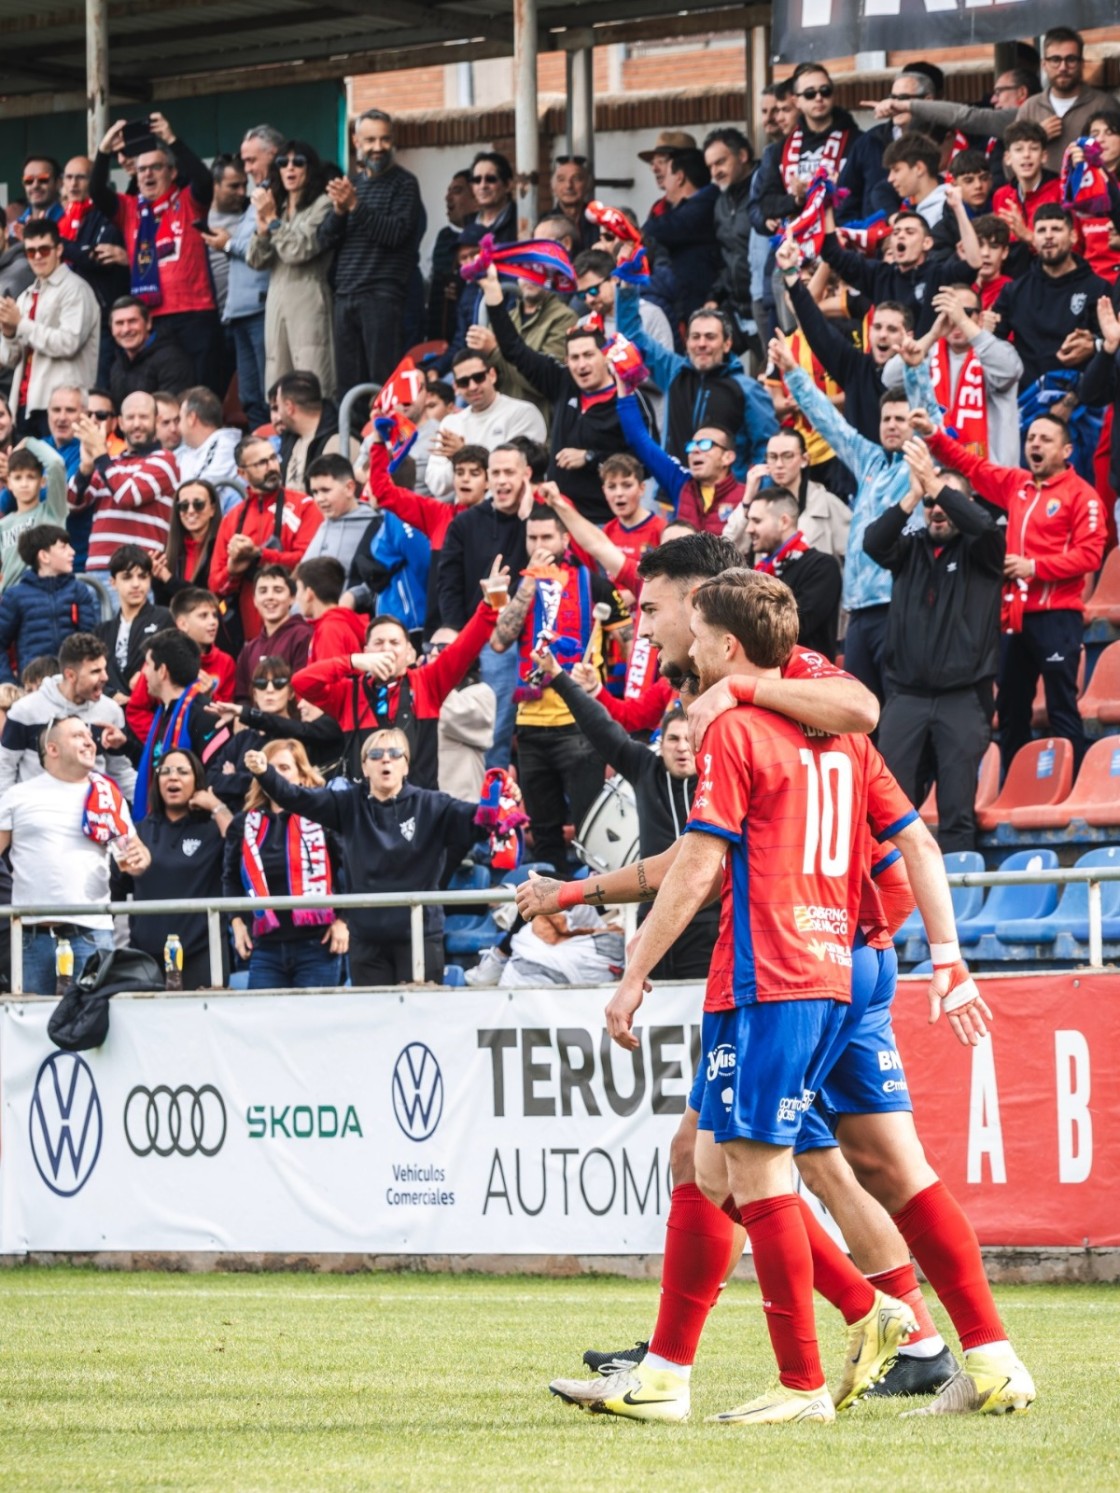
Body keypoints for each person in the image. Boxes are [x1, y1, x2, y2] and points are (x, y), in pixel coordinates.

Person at [545, 569, 1032, 1424]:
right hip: (851, 960)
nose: (660, 637)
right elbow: (907, 832)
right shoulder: (819, 718)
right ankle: (974, 1351)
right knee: (822, 1163)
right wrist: (946, 958)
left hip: (786, 962)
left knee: (747, 1160)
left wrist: (629, 971)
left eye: (664, 617)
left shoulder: (746, 716)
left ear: (717, 630)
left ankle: (824, 1359)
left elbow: (697, 862)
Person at [917, 408, 1105, 775]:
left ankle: (1073, 783)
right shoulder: (1016, 484)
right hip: (1014, 617)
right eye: (1031, 438)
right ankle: (1015, 783)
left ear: (1067, 451)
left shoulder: (1083, 496)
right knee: (1011, 709)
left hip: (1057, 616)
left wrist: (1034, 567)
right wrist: (933, 435)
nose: (1035, 444)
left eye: (1045, 439)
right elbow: (969, 466)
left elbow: (1090, 554)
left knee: (1061, 707)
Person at [245, 726, 479, 985]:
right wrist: (265, 773)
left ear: (406, 766)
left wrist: (501, 803)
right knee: (373, 1021)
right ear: (365, 768)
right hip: (367, 940)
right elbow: (297, 798)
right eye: (376, 754)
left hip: (418, 936)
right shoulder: (348, 804)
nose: (385, 759)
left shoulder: (432, 805)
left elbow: (479, 820)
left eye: (395, 753)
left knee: (419, 1021)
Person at [864, 438, 1003, 851]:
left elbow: (982, 524)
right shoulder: (910, 549)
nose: (936, 509)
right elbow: (873, 543)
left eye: (945, 502)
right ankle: (892, 900)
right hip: (905, 696)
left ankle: (957, 904)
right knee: (890, 809)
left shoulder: (985, 551)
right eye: (930, 504)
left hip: (963, 697)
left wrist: (936, 484)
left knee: (957, 808)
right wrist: (913, 491)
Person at [770, 331, 914, 702]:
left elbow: (933, 417)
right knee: (858, 716)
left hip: (898, 605)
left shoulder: (921, 464)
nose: (892, 425)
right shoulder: (869, 460)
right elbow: (830, 424)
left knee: (897, 706)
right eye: (887, 419)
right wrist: (792, 372)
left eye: (901, 418)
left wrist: (915, 370)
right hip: (858, 611)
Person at [489, 503, 629, 872]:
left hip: (580, 725)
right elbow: (500, 641)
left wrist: (606, 690)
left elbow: (632, 646)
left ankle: (594, 909)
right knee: (544, 831)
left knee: (590, 827)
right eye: (532, 537)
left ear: (565, 538)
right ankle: (552, 911)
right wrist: (529, 583)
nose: (539, 544)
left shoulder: (595, 584)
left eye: (547, 536)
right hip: (531, 728)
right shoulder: (520, 587)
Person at [481, 268, 652, 525]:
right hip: (558, 517)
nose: (580, 364)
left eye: (587, 355)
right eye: (573, 357)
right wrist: (492, 291)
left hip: (605, 522)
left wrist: (591, 457)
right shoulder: (563, 381)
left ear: (604, 356)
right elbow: (515, 350)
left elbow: (645, 464)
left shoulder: (629, 399)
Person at [293, 578, 504, 785]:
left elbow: (464, 648)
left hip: (419, 809)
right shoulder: (349, 692)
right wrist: (352, 661)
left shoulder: (427, 682)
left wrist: (489, 604)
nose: (386, 648)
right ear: (366, 651)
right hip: (364, 811)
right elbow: (302, 682)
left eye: (394, 642)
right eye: (378, 642)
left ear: (409, 651)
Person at [0, 715, 150, 994]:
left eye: (90, 737)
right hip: (32, 936)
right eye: (78, 736)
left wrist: (140, 858)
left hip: (92, 932)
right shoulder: (17, 796)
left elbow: (133, 853)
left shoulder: (107, 793)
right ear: (53, 749)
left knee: (93, 1025)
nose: (90, 742)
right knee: (32, 1025)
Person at [92, 116, 221, 387]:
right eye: (142, 170)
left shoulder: (188, 201)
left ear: (172, 172)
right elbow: (97, 191)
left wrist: (173, 140)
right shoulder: (129, 209)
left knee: (200, 389)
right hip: (153, 319)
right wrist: (104, 151)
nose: (148, 174)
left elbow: (203, 179)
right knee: (161, 395)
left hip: (194, 313)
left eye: (155, 167)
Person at [224, 737, 347, 990]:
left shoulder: (324, 817)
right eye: (269, 768)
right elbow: (231, 878)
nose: (275, 775)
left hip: (318, 946)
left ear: (302, 775)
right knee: (265, 1026)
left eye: (284, 768)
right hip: (266, 948)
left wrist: (344, 921)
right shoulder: (243, 823)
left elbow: (350, 871)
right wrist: (237, 922)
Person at [616, 291, 777, 477]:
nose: (701, 344)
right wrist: (628, 285)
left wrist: (752, 496)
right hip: (674, 494)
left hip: (728, 500)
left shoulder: (748, 389)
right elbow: (631, 335)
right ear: (686, 343)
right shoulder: (673, 371)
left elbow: (766, 448)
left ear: (727, 344)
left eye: (710, 337)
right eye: (695, 337)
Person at [320, 108, 421, 389]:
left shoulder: (405, 184)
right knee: (349, 387)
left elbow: (395, 234)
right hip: (345, 297)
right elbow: (324, 240)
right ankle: (352, 433)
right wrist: (339, 211)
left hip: (382, 297)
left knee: (384, 384)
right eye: (371, 140)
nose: (378, 148)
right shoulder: (350, 185)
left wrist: (354, 206)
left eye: (385, 140)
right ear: (356, 142)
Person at [115, 746, 231, 989]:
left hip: (201, 952)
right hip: (146, 955)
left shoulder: (211, 830)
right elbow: (115, 885)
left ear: (197, 780)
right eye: (165, 771)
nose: (173, 777)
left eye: (182, 771)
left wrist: (217, 806)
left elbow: (241, 845)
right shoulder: (139, 831)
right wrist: (125, 867)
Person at [885, 286, 1024, 467]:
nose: (957, 319)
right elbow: (889, 379)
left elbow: (1009, 371)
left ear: (980, 318)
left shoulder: (995, 353)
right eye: (950, 312)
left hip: (989, 482)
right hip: (936, 476)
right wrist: (932, 335)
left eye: (965, 312)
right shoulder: (928, 355)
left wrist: (964, 322)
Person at [200, 124, 281, 430]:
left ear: (272, 154)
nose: (247, 170)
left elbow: (267, 248)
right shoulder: (258, 196)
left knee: (268, 393)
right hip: (240, 312)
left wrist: (229, 244)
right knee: (249, 397)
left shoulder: (278, 195)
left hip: (262, 308)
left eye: (251, 161)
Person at [246, 141, 337, 399]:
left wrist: (272, 221)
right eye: (282, 163)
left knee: (313, 374)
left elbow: (297, 251)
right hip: (277, 296)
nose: (290, 168)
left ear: (310, 169)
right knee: (278, 376)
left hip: (309, 295)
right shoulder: (279, 207)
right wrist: (263, 230)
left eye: (298, 162)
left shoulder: (322, 204)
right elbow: (256, 260)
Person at [210, 435, 322, 641]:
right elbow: (215, 586)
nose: (271, 466)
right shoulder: (232, 519)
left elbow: (307, 563)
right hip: (251, 638)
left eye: (273, 458)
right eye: (261, 463)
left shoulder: (305, 505)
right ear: (242, 473)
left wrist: (259, 554)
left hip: (298, 631)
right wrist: (233, 571)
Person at [991, 204, 1109, 392]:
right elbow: (992, 344)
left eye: (1056, 229)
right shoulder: (1014, 290)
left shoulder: (1098, 288)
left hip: (1079, 402)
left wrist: (1094, 345)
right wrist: (986, 330)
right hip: (1026, 402)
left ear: (1073, 236)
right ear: (1034, 240)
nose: (1048, 236)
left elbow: (1111, 343)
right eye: (1041, 230)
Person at [0, 630, 134, 793]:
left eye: (104, 669)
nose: (105, 677)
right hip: (37, 813)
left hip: (91, 813)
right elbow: (4, 769)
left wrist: (143, 813)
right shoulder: (25, 710)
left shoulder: (111, 711)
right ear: (70, 675)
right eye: (95, 671)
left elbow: (121, 772)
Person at [0, 219, 99, 436]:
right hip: (24, 405)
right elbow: (9, 359)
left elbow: (69, 343)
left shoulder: (75, 289)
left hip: (61, 407)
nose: (37, 257)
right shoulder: (26, 295)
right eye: (31, 251)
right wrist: (8, 333)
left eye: (44, 250)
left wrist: (21, 324)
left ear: (59, 249)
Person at [67, 389, 178, 577]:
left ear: (156, 420)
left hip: (136, 574)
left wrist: (101, 455)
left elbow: (128, 496)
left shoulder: (165, 460)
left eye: (143, 417)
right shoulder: (111, 463)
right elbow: (71, 504)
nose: (137, 424)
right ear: (120, 422)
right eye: (130, 417)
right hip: (96, 570)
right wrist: (86, 467)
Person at [615, 381, 743, 536]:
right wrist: (624, 387)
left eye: (704, 444)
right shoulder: (680, 483)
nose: (695, 450)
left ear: (727, 457)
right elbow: (639, 440)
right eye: (691, 445)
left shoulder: (746, 496)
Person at [205, 656, 344, 799]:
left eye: (279, 683)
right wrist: (253, 780)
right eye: (261, 683)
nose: (269, 690)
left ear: (291, 693)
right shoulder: (243, 738)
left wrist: (234, 778)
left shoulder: (301, 737)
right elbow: (211, 780)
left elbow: (287, 784)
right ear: (254, 693)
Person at [423, 348, 547, 500]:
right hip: (466, 515)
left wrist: (462, 454)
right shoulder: (451, 422)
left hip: (512, 513)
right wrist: (458, 458)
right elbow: (436, 485)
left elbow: (517, 472)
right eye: (464, 382)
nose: (473, 386)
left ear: (492, 375)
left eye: (479, 377)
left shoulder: (523, 413)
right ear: (456, 387)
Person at [466, 268, 578, 426]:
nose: (530, 278)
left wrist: (495, 351)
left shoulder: (564, 318)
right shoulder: (508, 317)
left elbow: (545, 383)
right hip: (499, 423)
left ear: (551, 277)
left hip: (539, 425)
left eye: (537, 271)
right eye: (524, 271)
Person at [741, 487, 842, 659]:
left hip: (806, 679)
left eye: (756, 521)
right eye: (749, 521)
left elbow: (794, 626)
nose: (748, 529)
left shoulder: (822, 567)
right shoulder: (759, 572)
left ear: (784, 522)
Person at [128, 629, 219, 819]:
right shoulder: (164, 712)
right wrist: (125, 745)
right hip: (161, 825)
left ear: (162, 671)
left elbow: (214, 777)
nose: (143, 672)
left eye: (148, 665)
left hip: (191, 829)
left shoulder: (205, 714)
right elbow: (157, 760)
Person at [725, 431, 851, 565]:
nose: (779, 464)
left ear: (804, 460)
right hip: (767, 583)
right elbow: (726, 551)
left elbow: (854, 556)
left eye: (787, 456)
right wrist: (747, 499)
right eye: (772, 457)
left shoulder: (827, 503)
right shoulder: (758, 505)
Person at [0, 523, 97, 683]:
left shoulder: (79, 591)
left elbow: (90, 640)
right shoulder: (15, 596)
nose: (72, 552)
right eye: (63, 547)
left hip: (72, 685)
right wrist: (8, 682)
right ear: (44, 556)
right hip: (33, 686)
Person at [642, 147, 720, 328]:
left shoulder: (705, 205)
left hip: (701, 300)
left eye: (667, 174)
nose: (664, 183)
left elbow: (656, 229)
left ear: (679, 177)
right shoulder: (676, 209)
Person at [1017, 26, 1114, 171]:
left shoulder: (1103, 104)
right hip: (1042, 193)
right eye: (1055, 59)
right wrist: (1037, 136)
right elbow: (1012, 163)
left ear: (1081, 63)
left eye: (1071, 59)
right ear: (1044, 64)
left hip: (1093, 191)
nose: (1063, 67)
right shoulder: (1030, 107)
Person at [97, 544, 172, 700]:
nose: (136, 584)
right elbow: (92, 674)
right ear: (113, 582)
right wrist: (112, 695)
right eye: (127, 577)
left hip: (151, 712)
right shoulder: (102, 631)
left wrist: (145, 679)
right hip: (110, 712)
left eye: (143, 576)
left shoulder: (164, 619)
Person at [703, 127, 756, 345]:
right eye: (710, 166)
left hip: (765, 307)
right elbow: (726, 256)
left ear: (742, 156)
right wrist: (715, 297)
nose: (715, 172)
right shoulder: (722, 203)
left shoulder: (763, 190)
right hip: (736, 309)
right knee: (707, 363)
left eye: (720, 162)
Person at [233, 563, 311, 701]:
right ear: (254, 600)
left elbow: (304, 690)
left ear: (292, 598)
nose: (270, 597)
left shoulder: (304, 636)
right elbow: (242, 696)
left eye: (278, 590)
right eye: (263, 591)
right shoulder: (249, 649)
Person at [0, 439, 68, 593]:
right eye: (18, 478)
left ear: (42, 481)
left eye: (31, 477)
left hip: (47, 596)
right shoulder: (3, 525)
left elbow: (56, 463)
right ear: (8, 482)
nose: (24, 484)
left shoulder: (54, 511)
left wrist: (29, 442)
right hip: (10, 601)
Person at [273, 371, 352, 495]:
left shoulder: (338, 441)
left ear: (289, 407)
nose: (277, 416)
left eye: (278, 407)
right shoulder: (289, 438)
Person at [149, 478, 224, 610]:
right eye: (183, 506)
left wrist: (168, 579)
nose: (190, 511)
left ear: (212, 509)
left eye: (198, 504)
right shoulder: (170, 551)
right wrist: (156, 578)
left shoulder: (222, 547)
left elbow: (209, 600)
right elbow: (162, 606)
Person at [105, 295, 193, 405]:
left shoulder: (172, 360)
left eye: (132, 321)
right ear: (111, 329)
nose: (126, 329)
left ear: (148, 323)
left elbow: (171, 411)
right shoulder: (117, 365)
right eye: (119, 323)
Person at [301, 454, 371, 576]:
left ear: (349, 488)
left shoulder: (373, 525)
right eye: (315, 492)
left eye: (325, 490)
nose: (319, 499)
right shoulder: (324, 524)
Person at [175, 386, 242, 512]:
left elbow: (199, 490)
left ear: (192, 418)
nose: (177, 427)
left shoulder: (225, 446)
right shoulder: (187, 450)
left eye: (180, 419)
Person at [295, 557, 366, 664]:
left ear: (308, 594)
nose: (297, 597)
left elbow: (329, 678)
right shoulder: (335, 624)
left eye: (299, 589)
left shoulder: (330, 630)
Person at [466, 151, 516, 243]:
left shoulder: (521, 221)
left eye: (490, 179)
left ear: (508, 185)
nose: (483, 186)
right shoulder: (467, 225)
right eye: (477, 180)